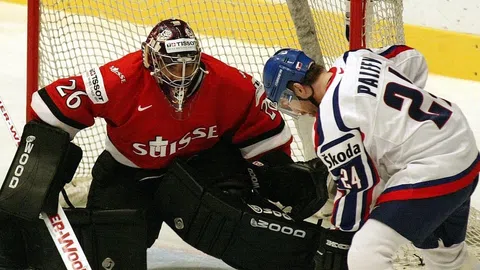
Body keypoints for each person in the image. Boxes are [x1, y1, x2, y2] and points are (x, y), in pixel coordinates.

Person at [0, 18, 329, 270]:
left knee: (247, 235)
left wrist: (275, 176)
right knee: (110, 253)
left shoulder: (230, 82)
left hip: (202, 171)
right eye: (172, 63)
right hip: (129, 175)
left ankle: (315, 252)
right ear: (150, 59)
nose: (182, 73)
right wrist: (37, 175)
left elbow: (266, 132)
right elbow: (51, 107)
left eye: (189, 63)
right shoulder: (119, 79)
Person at [262, 45, 480, 270]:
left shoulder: (330, 122)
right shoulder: (354, 58)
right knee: (445, 256)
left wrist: (338, 238)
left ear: (300, 89)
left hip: (439, 167)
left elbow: (359, 190)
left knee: (365, 254)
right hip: (462, 141)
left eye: (288, 102)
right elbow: (412, 58)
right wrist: (398, 122)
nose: (296, 111)